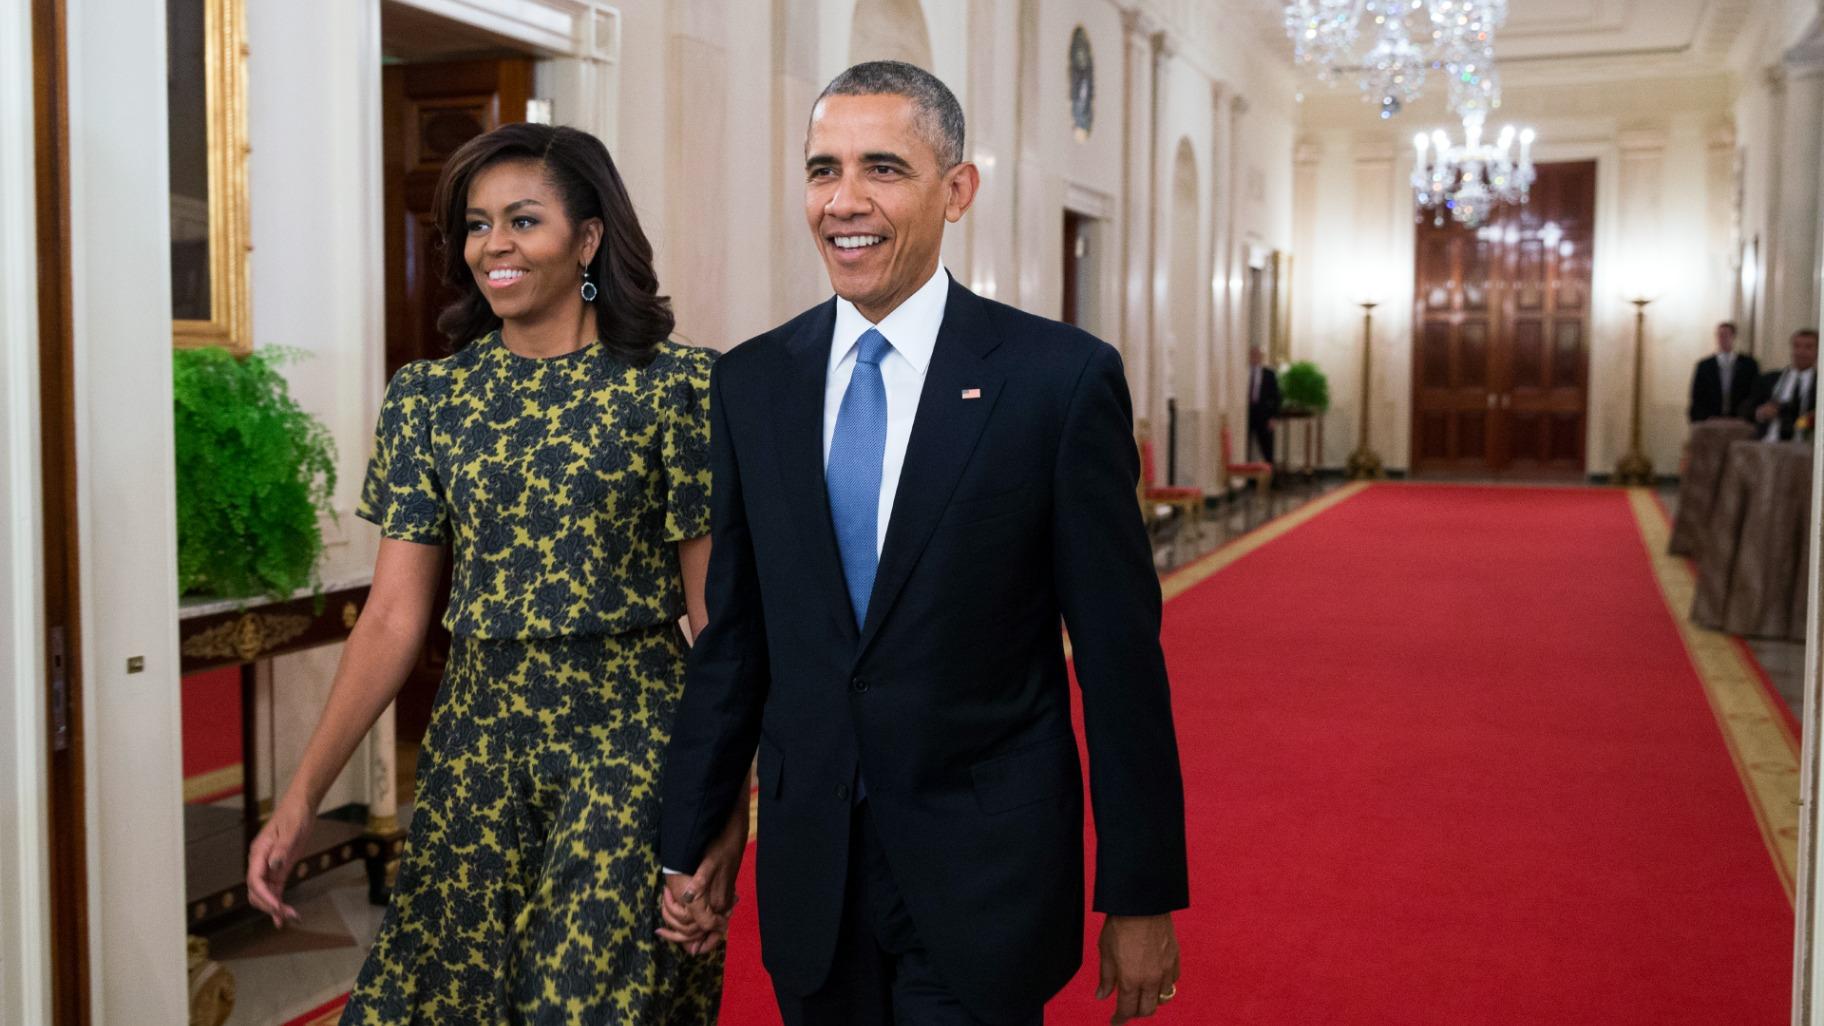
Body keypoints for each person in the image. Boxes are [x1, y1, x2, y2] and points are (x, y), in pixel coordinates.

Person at [656, 61, 1188, 1026]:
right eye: (823, 169)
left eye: (882, 169)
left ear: (957, 190)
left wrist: (1140, 889)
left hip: (984, 872)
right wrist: (693, 832)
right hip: (816, 875)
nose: (843, 201)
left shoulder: (1055, 381)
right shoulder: (751, 383)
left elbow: (1118, 661)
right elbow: (736, 639)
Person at [244, 123, 746, 1025]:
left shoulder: (676, 388)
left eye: (523, 220)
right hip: (476, 745)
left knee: (585, 1004)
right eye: (477, 226)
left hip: (628, 740)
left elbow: (717, 625)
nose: (494, 246)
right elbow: (394, 619)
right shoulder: (429, 399)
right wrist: (300, 798)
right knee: (437, 1000)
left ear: (589, 239)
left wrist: (728, 809)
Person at [1742, 328, 1819, 442]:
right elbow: (1745, 409)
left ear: (1818, 351)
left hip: (1806, 446)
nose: (1801, 352)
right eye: (1797, 346)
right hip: (1768, 442)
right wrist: (1761, 412)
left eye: (1808, 347)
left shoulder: (1820, 384)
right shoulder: (1769, 379)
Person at [1687, 321, 1758, 423]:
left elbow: (1753, 392)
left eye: (1726, 335)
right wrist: (1703, 417)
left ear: (1733, 337)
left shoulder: (1749, 365)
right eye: (1720, 335)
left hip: (1740, 419)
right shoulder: (1705, 366)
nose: (1723, 339)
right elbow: (1697, 395)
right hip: (1711, 418)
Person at [1247, 345, 1282, 463]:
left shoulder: (1269, 374)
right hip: (1247, 414)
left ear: (1262, 357)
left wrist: (1273, 417)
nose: (1255, 357)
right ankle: (1249, 478)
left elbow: (1276, 396)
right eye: (1253, 354)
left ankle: (1270, 478)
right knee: (1246, 447)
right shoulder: (1244, 373)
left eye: (1258, 355)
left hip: (1264, 416)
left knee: (1267, 448)